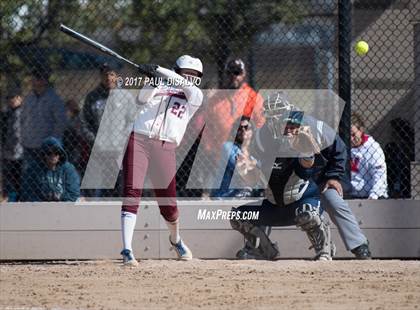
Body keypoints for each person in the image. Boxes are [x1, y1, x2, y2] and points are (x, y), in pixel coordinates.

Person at [241, 92, 372, 259]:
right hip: (290, 178)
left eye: (280, 114)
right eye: (271, 115)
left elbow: (339, 149)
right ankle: (258, 247)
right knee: (272, 197)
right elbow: (263, 165)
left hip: (318, 177)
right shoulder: (263, 135)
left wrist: (333, 176)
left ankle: (359, 245)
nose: (275, 119)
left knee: (332, 199)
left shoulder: (312, 126)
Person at [120, 55, 204, 266]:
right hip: (139, 139)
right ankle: (127, 249)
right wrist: (153, 79)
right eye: (187, 73)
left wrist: (158, 68)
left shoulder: (194, 96)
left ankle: (175, 240)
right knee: (132, 192)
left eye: (195, 76)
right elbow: (141, 99)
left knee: (168, 204)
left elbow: (186, 86)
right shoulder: (160, 84)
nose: (191, 78)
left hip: (165, 147)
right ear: (177, 71)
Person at [230, 111, 335, 261]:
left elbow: (306, 166)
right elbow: (254, 180)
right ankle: (265, 250)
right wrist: (244, 170)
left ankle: (324, 250)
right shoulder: (268, 149)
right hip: (275, 207)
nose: (289, 131)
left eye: (293, 127)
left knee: (308, 213)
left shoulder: (303, 150)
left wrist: (307, 150)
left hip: (301, 204)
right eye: (286, 127)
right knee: (238, 216)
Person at [80, 62, 120, 197]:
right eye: (105, 74)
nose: (108, 78)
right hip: (99, 148)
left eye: (111, 74)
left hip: (119, 149)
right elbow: (84, 123)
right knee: (98, 187)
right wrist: (95, 140)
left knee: (119, 186)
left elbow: (132, 121)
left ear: (117, 76)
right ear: (101, 77)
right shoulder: (92, 97)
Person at [21, 67, 67, 179]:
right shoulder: (29, 98)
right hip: (28, 144)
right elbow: (22, 119)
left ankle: (47, 196)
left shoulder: (54, 98)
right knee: (29, 175)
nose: (32, 81)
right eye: (33, 78)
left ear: (44, 80)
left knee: (46, 175)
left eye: (36, 78)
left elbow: (61, 122)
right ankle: (31, 196)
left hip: (45, 146)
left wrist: (53, 141)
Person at [211, 117, 261, 198]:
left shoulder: (254, 156)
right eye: (239, 128)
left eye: (247, 127)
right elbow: (242, 171)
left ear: (253, 131)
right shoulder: (228, 147)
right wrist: (254, 166)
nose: (243, 130)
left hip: (242, 198)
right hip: (223, 197)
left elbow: (256, 178)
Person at [20, 137, 80, 202]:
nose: (53, 156)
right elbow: (27, 192)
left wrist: (60, 197)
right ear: (44, 154)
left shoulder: (68, 169)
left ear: (60, 154)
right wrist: (42, 202)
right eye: (49, 153)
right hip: (40, 207)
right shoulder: (33, 169)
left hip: (63, 206)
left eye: (56, 153)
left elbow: (74, 192)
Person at [350, 113, 388, 199]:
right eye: (348, 135)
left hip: (371, 196)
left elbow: (379, 175)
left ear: (361, 130)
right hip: (351, 194)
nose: (351, 139)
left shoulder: (373, 148)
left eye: (353, 134)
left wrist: (374, 195)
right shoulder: (345, 147)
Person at [1, 87, 24, 202]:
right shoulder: (6, 114)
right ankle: (12, 198)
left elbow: (19, 133)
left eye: (13, 98)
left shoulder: (23, 112)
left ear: (20, 98)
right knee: (9, 179)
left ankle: (17, 198)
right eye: (9, 98)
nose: (11, 100)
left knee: (18, 177)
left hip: (20, 152)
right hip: (7, 152)